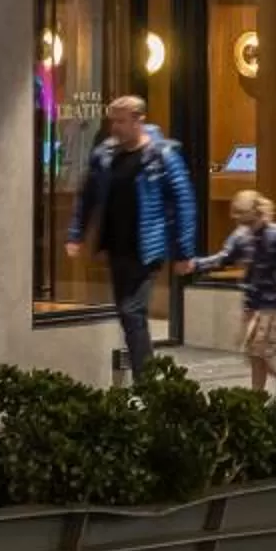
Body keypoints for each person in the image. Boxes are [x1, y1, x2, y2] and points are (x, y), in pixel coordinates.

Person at [66, 96, 199, 379]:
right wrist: (76, 234)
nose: (115, 127)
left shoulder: (162, 155)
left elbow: (184, 200)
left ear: (139, 120)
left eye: (121, 121)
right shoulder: (105, 155)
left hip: (147, 247)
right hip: (117, 246)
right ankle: (146, 376)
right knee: (128, 315)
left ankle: (146, 380)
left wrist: (184, 251)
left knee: (131, 311)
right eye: (112, 121)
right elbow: (87, 195)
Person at [194, 192, 276, 395]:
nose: (238, 220)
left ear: (255, 212)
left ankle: (258, 396)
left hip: (270, 305)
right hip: (251, 302)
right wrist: (197, 264)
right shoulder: (241, 235)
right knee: (253, 354)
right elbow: (224, 257)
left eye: (242, 215)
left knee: (257, 353)